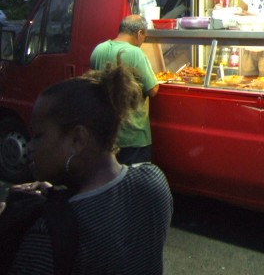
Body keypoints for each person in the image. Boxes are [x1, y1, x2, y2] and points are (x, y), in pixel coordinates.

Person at [1, 64, 173, 274]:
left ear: (77, 139)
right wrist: (59, 197)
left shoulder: (49, 232)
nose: (29, 146)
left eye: (38, 136)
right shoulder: (153, 182)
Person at [90, 14, 159, 164]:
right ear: (139, 33)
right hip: (134, 135)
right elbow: (153, 90)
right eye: (144, 36)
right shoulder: (135, 53)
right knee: (135, 183)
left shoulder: (98, 50)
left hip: (108, 133)